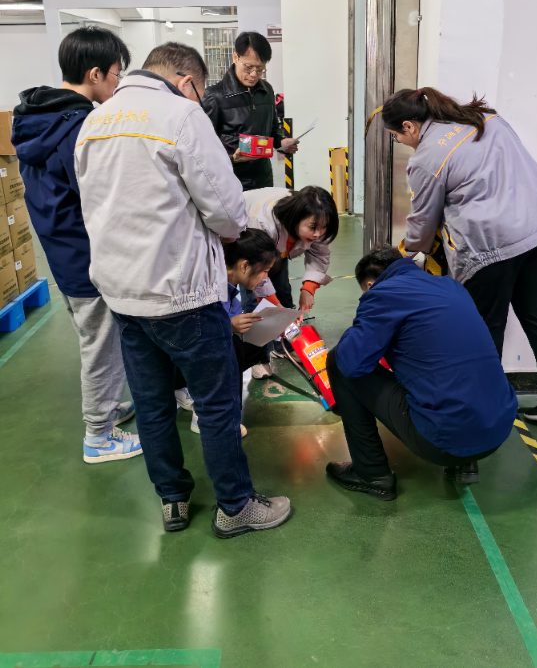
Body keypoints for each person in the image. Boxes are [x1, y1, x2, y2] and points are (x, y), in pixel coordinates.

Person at [74, 41, 291, 538]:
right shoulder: (181, 116)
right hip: (182, 294)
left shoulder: (95, 122)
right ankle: (236, 507)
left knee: (153, 405)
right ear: (188, 82)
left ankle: (173, 499)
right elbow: (229, 213)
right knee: (216, 404)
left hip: (122, 293)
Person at [382, 87, 537, 424]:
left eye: (396, 136)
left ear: (409, 126)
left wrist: (406, 252)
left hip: (492, 247)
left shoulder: (426, 158)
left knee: (484, 328)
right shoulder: (485, 119)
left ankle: (482, 412)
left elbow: (424, 222)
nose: (400, 142)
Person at [12, 26, 143, 465]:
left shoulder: (37, 118)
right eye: (117, 73)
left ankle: (107, 409)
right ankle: (98, 437)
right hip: (87, 258)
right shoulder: (81, 128)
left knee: (96, 338)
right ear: (95, 74)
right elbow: (101, 199)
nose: (118, 83)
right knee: (101, 346)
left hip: (62, 253)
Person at [325, 246, 518, 496]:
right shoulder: (451, 286)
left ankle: (371, 473)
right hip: (498, 430)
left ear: (370, 285)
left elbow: (352, 363)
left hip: (444, 441)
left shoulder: (382, 294)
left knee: (338, 360)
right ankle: (465, 464)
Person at [175, 228, 278, 438]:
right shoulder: (207, 285)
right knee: (234, 349)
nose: (265, 278)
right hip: (180, 355)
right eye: (265, 271)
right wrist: (228, 325)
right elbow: (191, 329)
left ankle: (185, 388)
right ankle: (208, 414)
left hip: (194, 354)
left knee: (254, 347)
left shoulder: (231, 286)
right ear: (244, 266)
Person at [242, 186, 339, 378]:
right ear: (296, 219)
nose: (318, 234)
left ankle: (284, 346)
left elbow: (320, 256)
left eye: (324, 228)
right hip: (252, 247)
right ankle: (258, 359)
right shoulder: (262, 223)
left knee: (283, 292)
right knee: (255, 304)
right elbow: (258, 275)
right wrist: (275, 307)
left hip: (277, 246)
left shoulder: (317, 222)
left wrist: (308, 289)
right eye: (313, 228)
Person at [202, 31, 299, 190]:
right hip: (230, 182)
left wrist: (282, 142)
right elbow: (203, 146)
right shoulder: (214, 96)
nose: (254, 74)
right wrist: (232, 158)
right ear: (235, 58)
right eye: (248, 67)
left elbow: (272, 129)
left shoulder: (266, 91)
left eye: (260, 69)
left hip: (263, 179)